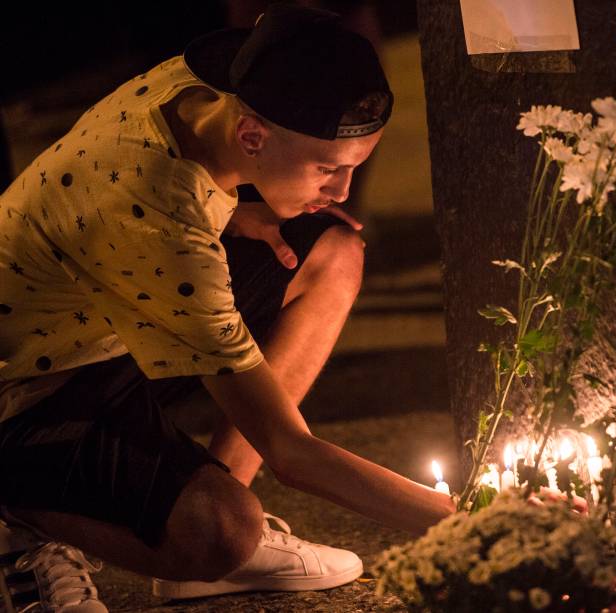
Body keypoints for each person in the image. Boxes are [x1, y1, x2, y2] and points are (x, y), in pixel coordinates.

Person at [0, 3, 455, 611]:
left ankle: (195, 526)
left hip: (101, 324)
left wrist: (234, 205)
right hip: (29, 394)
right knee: (223, 531)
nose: (341, 190)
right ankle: (23, 518)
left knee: (333, 251)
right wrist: (467, 515)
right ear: (252, 137)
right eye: (326, 168)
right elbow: (291, 453)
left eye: (353, 168)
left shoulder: (208, 89)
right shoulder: (163, 221)